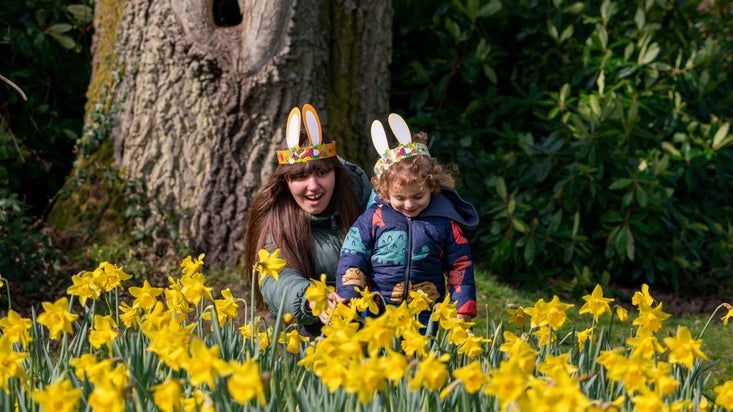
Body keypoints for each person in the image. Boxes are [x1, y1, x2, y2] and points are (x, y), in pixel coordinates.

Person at [336, 113, 478, 330]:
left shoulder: (445, 221)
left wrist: (462, 306)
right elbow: (353, 254)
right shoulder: (373, 218)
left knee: (420, 359)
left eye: (418, 196)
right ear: (384, 192)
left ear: (432, 186)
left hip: (425, 311)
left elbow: (460, 264)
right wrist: (348, 293)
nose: (409, 205)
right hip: (377, 309)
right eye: (400, 198)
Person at [243, 104, 371, 337]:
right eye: (300, 176)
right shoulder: (277, 219)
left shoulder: (368, 203)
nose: (313, 186)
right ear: (286, 181)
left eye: (322, 173)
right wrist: (309, 297)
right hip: (313, 339)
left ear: (336, 173)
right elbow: (275, 278)